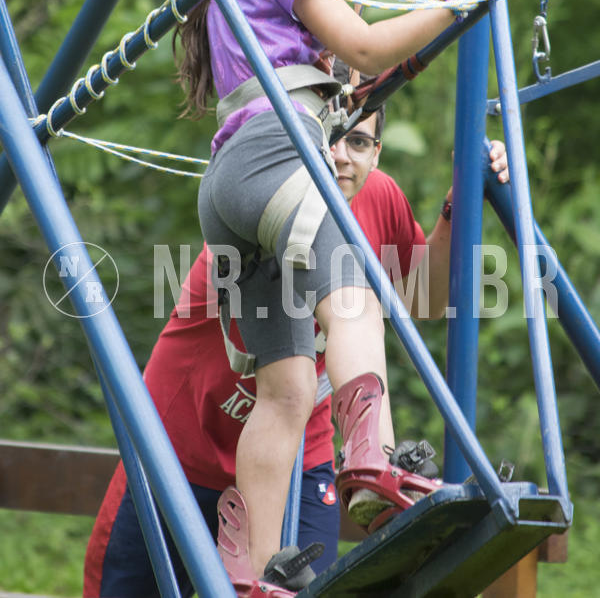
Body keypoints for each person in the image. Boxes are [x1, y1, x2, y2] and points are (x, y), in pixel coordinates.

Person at [177, 0, 514, 595]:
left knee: (289, 389)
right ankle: (373, 458)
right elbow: (365, 48)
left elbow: (351, 66)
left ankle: (260, 573)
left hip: (231, 178)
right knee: (356, 299)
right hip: (274, 152)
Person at [83, 97, 509, 598]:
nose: (344, 154)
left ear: (377, 153)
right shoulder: (265, 198)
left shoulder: (380, 200)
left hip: (296, 460)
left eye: (359, 141)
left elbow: (426, 299)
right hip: (181, 450)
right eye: (332, 136)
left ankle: (376, 461)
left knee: (303, 589)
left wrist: (457, 207)